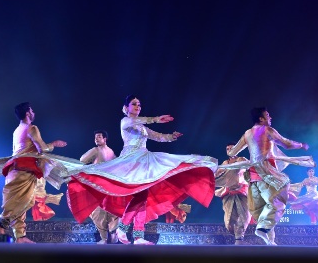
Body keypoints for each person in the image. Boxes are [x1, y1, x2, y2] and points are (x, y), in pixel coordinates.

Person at [63, 95, 218, 245]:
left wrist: (172, 136)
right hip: (131, 161)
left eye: (139, 104)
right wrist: (156, 119)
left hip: (144, 160)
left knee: (142, 197)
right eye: (134, 104)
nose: (138, 106)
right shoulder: (125, 121)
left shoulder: (141, 127)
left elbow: (157, 136)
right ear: (126, 107)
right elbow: (139, 120)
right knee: (140, 196)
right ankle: (123, 228)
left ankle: (138, 237)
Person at [0, 102, 75, 244]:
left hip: (14, 169)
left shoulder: (17, 130)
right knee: (26, 201)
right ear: (28, 113)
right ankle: (2, 223)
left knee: (19, 202)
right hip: (24, 170)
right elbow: (43, 149)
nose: (34, 112)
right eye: (32, 110)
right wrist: (54, 143)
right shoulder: (32, 128)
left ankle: (20, 236)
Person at [218, 107, 315, 245]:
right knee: (279, 199)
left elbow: (232, 152)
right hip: (266, 172)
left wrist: (232, 151)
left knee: (262, 210)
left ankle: (270, 240)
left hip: (253, 177)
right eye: (268, 115)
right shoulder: (267, 130)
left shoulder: (247, 133)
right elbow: (286, 144)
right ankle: (263, 230)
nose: (270, 118)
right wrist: (301, 145)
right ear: (261, 119)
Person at [79, 130, 120, 244]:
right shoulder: (111, 152)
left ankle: (104, 237)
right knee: (111, 209)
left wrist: (92, 167)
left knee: (98, 210)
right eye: (95, 138)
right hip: (110, 186)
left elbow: (82, 160)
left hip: (100, 186)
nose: (96, 139)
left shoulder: (96, 150)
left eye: (99, 137)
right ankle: (112, 232)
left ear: (104, 139)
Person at [214, 142, 251, 245]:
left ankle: (239, 239)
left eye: (232, 148)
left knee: (244, 216)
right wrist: (209, 177)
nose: (229, 150)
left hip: (242, 192)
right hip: (229, 193)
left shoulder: (241, 159)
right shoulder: (225, 163)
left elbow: (250, 167)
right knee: (229, 220)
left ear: (237, 149)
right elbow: (218, 172)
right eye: (227, 149)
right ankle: (237, 237)